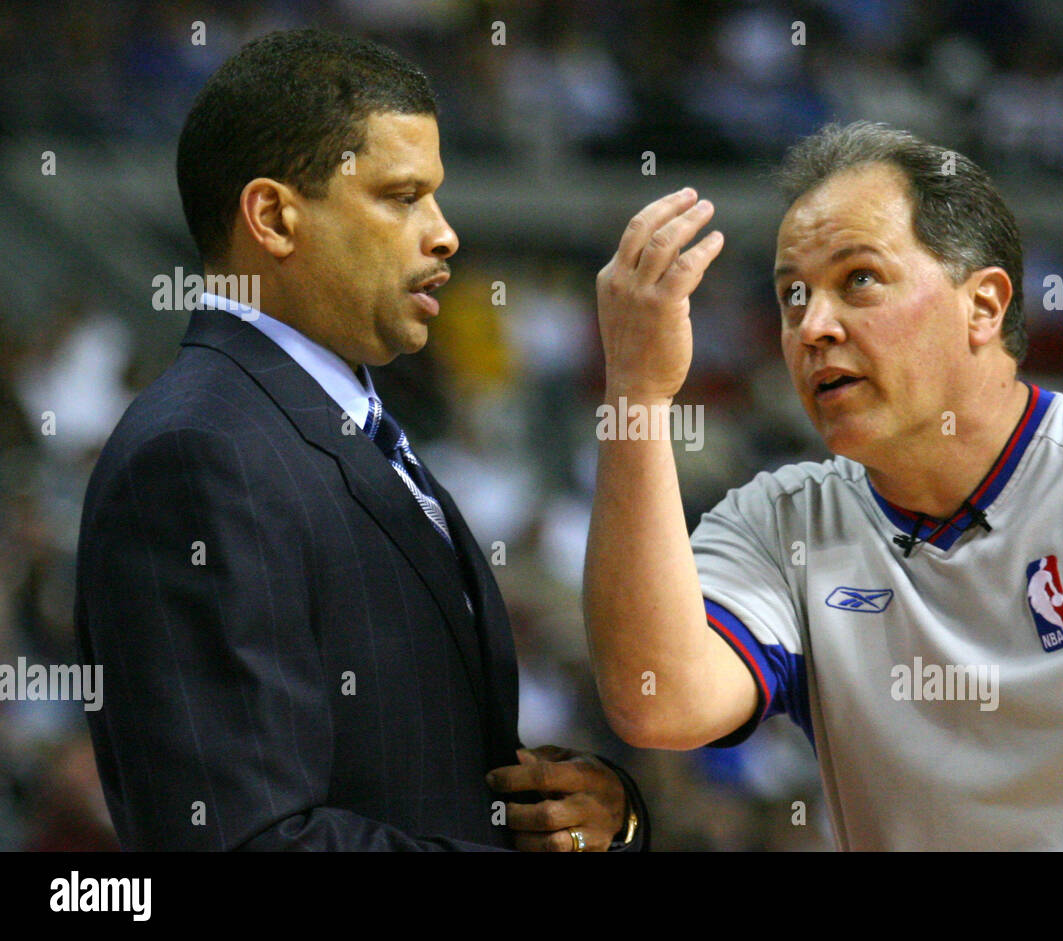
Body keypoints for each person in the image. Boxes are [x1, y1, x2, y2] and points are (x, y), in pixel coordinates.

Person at [583, 121, 1063, 850]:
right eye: (792, 295)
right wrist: (636, 393)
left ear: (983, 306)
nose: (812, 326)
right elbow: (660, 701)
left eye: (858, 278)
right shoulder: (780, 523)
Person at [75, 28, 645, 852]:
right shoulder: (200, 452)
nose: (445, 233)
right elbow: (244, 841)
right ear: (273, 217)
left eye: (435, 196)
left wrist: (594, 820)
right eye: (402, 196)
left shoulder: (332, 421)